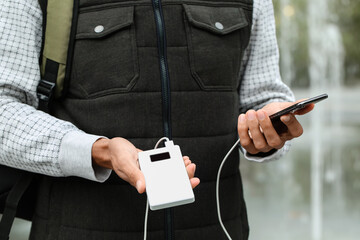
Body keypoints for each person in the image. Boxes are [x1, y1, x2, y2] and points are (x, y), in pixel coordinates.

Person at [0, 0, 313, 239]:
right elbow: (4, 111)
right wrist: (99, 150)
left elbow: (262, 94)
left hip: (220, 228)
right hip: (76, 228)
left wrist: (269, 129)